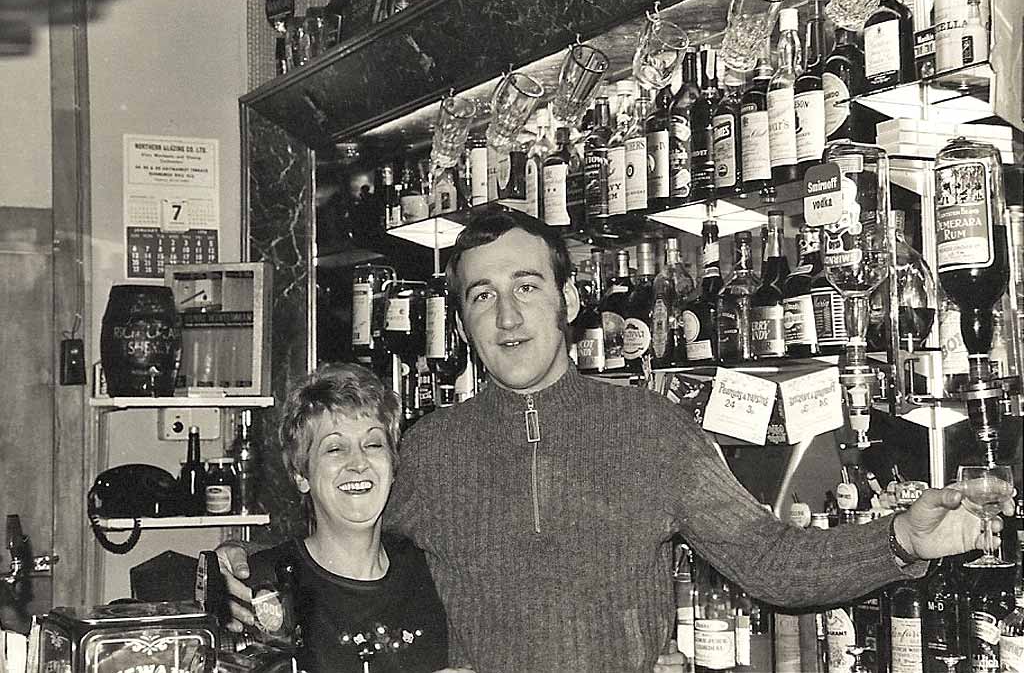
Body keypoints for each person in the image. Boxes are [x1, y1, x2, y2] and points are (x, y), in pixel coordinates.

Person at [221, 207, 1013, 673]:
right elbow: (334, 552)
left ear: (566, 297)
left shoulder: (654, 430)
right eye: (482, 297)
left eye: (526, 288)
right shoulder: (427, 451)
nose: (507, 318)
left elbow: (771, 560)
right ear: (462, 321)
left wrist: (901, 539)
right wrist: (238, 576)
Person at [242, 362, 467, 673]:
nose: (358, 463)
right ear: (300, 474)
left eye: (373, 444)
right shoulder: (265, 583)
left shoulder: (431, 570)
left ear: (393, 465)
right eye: (335, 449)